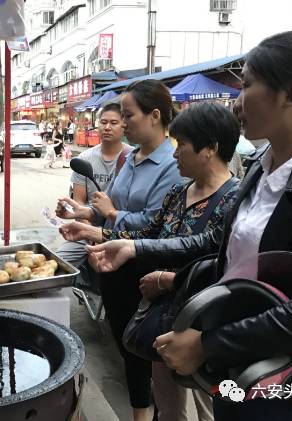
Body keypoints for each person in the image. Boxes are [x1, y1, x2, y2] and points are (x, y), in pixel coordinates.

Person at [86, 31, 292, 421]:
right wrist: (155, 265)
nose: (238, 102)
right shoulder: (261, 173)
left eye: (247, 85)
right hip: (236, 370)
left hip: (286, 381)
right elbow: (231, 256)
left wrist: (209, 345)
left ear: (291, 93)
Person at [61, 102, 242, 421]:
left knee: (209, 408)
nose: (175, 155)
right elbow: (148, 232)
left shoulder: (235, 199)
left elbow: (207, 247)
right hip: (163, 318)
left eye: (181, 145)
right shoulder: (178, 194)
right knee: (170, 409)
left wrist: (140, 254)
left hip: (205, 330)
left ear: (209, 149)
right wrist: (93, 230)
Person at [57, 80, 182, 421]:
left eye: (128, 115)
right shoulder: (131, 157)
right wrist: (81, 214)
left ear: (155, 116)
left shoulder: (174, 164)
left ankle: (145, 412)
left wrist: (110, 216)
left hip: (143, 268)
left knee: (144, 349)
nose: (123, 123)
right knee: (126, 344)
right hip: (111, 265)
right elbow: (106, 203)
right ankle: (141, 408)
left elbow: (155, 223)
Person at [56, 103, 133, 287]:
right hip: (87, 224)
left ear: (124, 125)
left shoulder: (132, 157)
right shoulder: (85, 159)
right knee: (57, 266)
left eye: (113, 122)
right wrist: (87, 229)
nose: (107, 127)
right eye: (103, 122)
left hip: (120, 229)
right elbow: (79, 200)